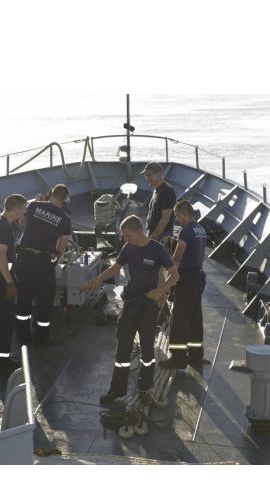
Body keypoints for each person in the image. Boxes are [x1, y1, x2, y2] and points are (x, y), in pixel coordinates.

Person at [81, 215, 179, 406]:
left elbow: (175, 274)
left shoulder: (157, 250)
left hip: (148, 308)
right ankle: (116, 390)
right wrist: (97, 280)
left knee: (147, 353)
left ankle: (145, 389)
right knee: (122, 352)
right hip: (130, 305)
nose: (126, 240)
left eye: (127, 235)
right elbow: (116, 267)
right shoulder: (129, 248)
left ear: (138, 231)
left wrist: (162, 289)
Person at [15, 184, 72, 346]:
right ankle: (42, 338)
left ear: (50, 194)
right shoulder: (65, 219)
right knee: (45, 302)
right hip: (43, 264)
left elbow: (22, 222)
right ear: (65, 200)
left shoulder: (33, 205)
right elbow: (61, 248)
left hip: (24, 260)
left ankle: (22, 337)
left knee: (23, 299)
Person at [162, 200, 207, 370]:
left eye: (177, 216)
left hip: (187, 280)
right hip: (198, 278)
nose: (177, 219)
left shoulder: (186, 232)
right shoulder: (201, 230)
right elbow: (203, 257)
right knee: (195, 318)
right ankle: (196, 355)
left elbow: (177, 256)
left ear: (184, 214)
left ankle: (178, 358)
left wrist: (168, 277)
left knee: (180, 319)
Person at [0, 194, 28, 376]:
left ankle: (3, 357)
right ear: (16, 208)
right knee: (3, 321)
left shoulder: (0, 223)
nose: (25, 211)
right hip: (1, 281)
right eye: (24, 208)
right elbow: (0, 256)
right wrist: (9, 282)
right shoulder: (3, 227)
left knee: (5, 320)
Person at [143, 161, 176, 241]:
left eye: (149, 175)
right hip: (152, 232)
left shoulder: (167, 191)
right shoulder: (157, 190)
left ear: (159, 174)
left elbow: (165, 218)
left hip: (162, 235)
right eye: (145, 175)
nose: (147, 178)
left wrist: (153, 237)